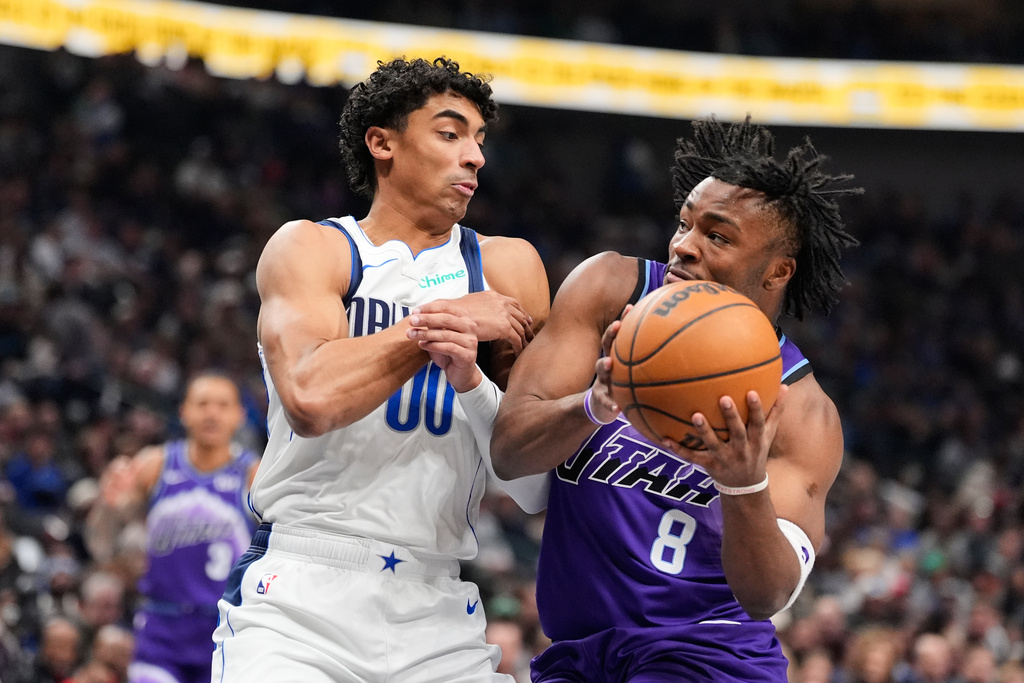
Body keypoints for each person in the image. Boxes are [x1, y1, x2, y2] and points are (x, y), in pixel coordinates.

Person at [211, 56, 549, 682]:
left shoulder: (508, 269)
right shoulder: (313, 248)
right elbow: (310, 398)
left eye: (479, 140)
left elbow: (534, 483)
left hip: (440, 606)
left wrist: (475, 380)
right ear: (382, 143)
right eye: (450, 134)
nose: (474, 156)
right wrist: (438, 326)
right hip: (300, 598)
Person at [491, 117, 860, 681]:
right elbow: (509, 451)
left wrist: (742, 483)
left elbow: (769, 594)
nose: (683, 246)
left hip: (708, 655)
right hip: (577, 652)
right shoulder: (609, 289)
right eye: (684, 224)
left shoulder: (802, 410)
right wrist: (593, 403)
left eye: (717, 236)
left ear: (779, 269)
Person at [86, 372, 259, 683]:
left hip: (225, 626)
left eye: (222, 405)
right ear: (184, 411)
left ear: (239, 415)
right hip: (161, 625)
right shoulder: (155, 465)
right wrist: (106, 502)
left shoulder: (253, 474)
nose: (211, 413)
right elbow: (102, 542)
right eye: (202, 403)